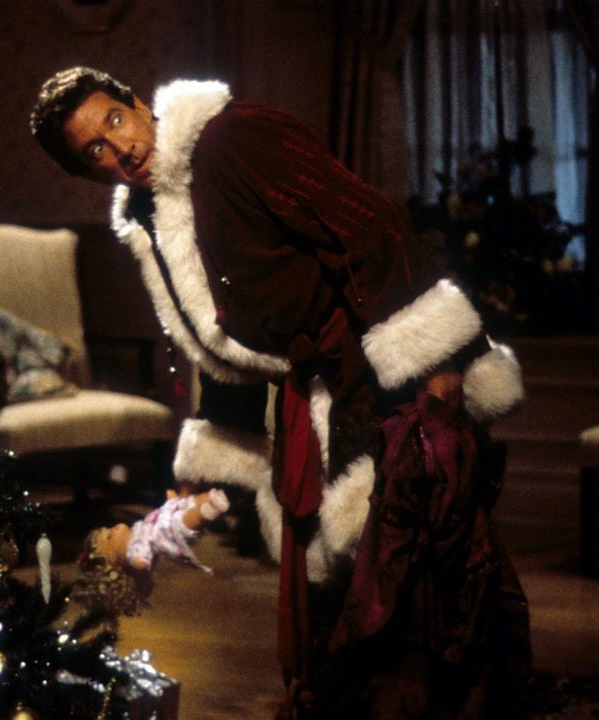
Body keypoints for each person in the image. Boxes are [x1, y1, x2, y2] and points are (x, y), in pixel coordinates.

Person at [31, 67, 531, 719]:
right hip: (309, 392)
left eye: (116, 120)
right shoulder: (151, 213)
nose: (120, 148)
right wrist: (211, 460)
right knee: (341, 581)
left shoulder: (233, 137)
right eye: (95, 149)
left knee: (412, 572)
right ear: (87, 172)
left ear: (135, 103)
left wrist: (436, 357)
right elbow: (227, 339)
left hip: (377, 369)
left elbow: (367, 222)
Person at [73, 486, 230, 616]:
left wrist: (169, 504)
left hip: (163, 520)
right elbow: (141, 561)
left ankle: (211, 496)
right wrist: (140, 562)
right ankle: (207, 511)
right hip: (165, 533)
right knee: (184, 521)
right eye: (110, 537)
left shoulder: (136, 532)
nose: (112, 528)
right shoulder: (134, 551)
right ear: (114, 563)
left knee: (188, 502)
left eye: (107, 529)